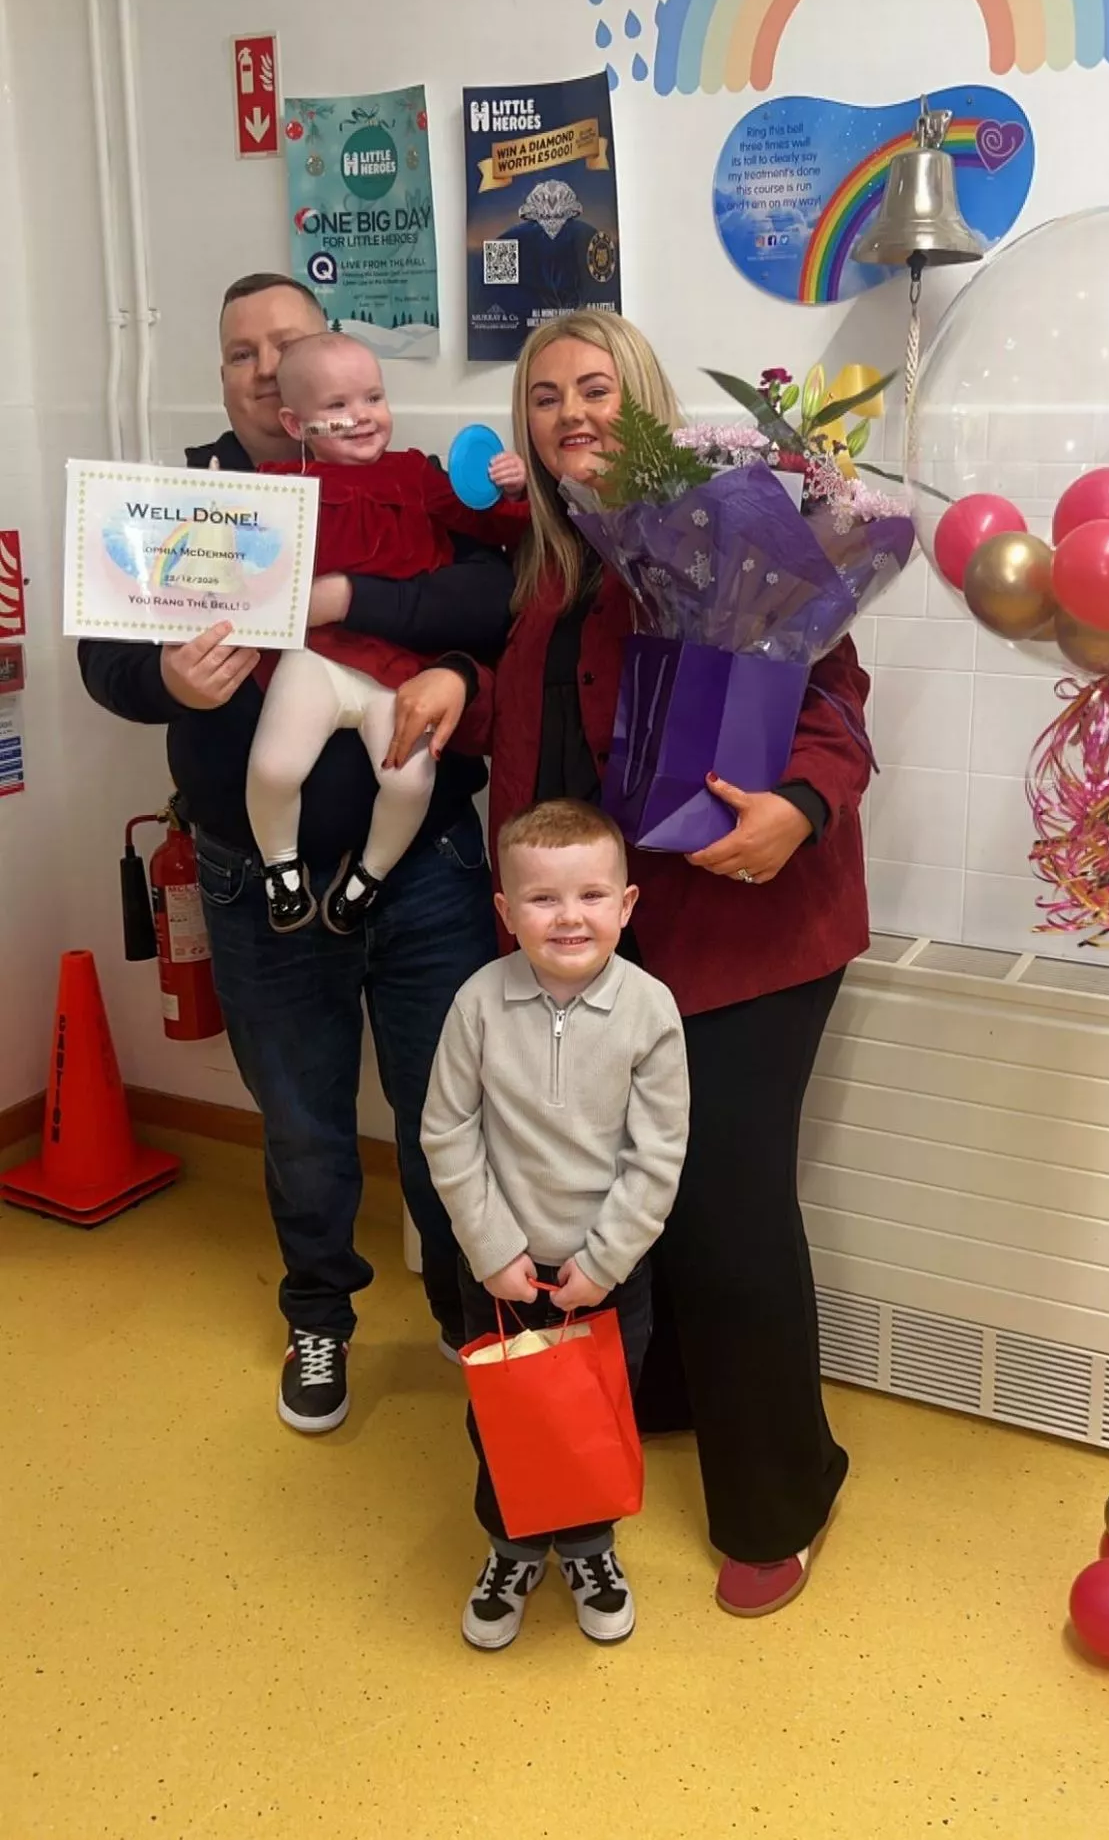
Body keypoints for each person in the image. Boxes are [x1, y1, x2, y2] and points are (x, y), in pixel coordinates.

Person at [391, 309, 873, 1618]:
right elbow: (546, 704)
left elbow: (836, 703)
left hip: (746, 932)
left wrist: (799, 811)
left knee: (724, 1210)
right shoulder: (553, 568)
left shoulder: (730, 529)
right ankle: (659, 1404)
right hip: (594, 949)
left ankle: (780, 1496)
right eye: (542, 398)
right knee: (611, 1194)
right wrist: (453, 684)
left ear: (646, 400)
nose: (569, 417)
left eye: (595, 389)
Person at [78, 272, 514, 1430]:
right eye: (241, 355)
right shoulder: (190, 501)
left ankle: (483, 1328)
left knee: (455, 1111)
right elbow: (103, 657)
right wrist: (162, 674)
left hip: (425, 873)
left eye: (288, 345)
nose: (266, 370)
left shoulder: (418, 489)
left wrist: (346, 594)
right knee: (305, 1128)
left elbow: (497, 600)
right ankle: (319, 1318)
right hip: (252, 876)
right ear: (225, 381)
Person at [421, 799, 689, 1651]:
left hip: (607, 1274)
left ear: (627, 904)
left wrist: (605, 1261)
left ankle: (588, 1548)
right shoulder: (477, 1003)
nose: (568, 916)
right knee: (503, 1417)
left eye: (590, 895)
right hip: (497, 1269)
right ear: (504, 910)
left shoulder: (651, 1012)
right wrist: (492, 1248)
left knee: (596, 1416)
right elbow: (447, 1130)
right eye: (541, 898)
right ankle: (510, 1546)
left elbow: (657, 1155)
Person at [247, 331, 526, 935]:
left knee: (411, 778)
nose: (362, 417)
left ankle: (367, 878)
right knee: (273, 766)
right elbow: (237, 565)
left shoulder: (416, 475)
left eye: (373, 397)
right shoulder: (274, 489)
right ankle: (281, 870)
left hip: (400, 667)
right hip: (319, 659)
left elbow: (487, 521)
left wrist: (510, 488)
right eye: (338, 406)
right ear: (297, 424)